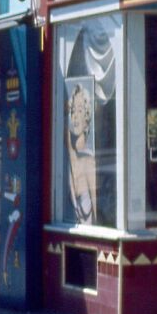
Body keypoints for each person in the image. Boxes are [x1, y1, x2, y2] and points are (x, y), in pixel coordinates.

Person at [66, 82, 97, 224]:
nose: (75, 117)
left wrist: (97, 223)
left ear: (87, 116)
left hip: (87, 221)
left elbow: (94, 195)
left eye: (80, 110)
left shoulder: (88, 157)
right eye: (73, 111)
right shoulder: (70, 150)